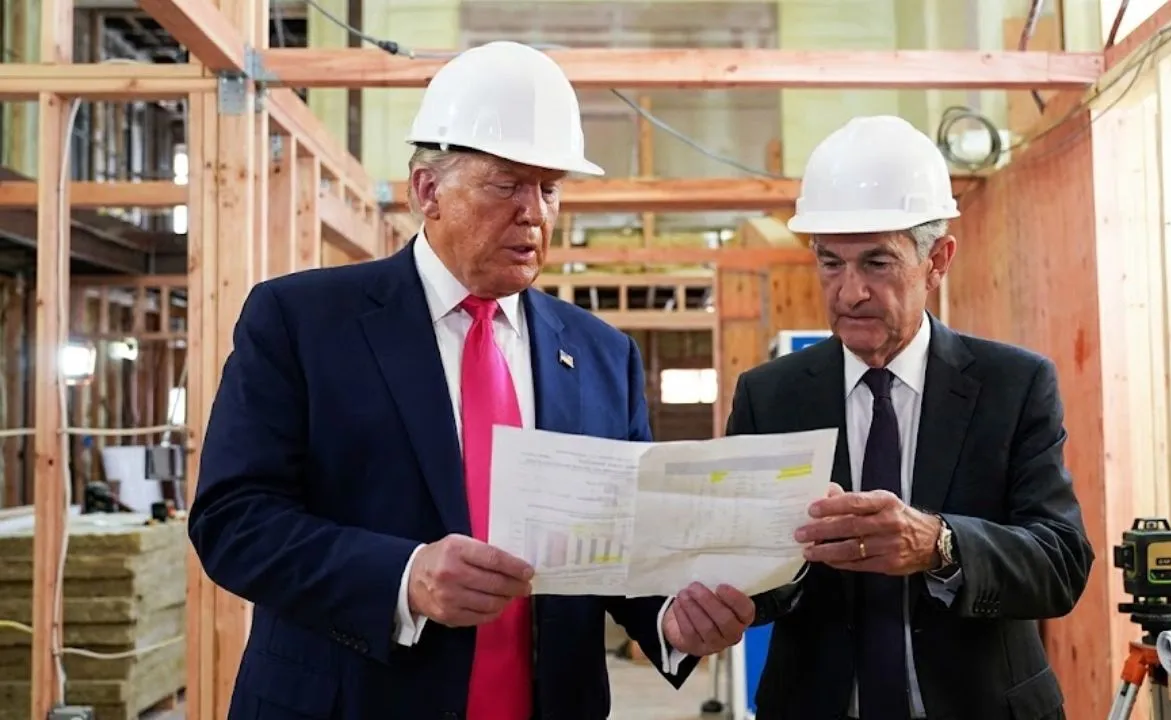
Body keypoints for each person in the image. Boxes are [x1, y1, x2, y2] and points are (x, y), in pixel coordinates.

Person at [189, 40, 753, 720]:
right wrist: (404, 578)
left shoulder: (603, 356)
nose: (535, 212)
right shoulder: (302, 322)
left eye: (549, 188)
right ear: (427, 189)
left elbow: (618, 545)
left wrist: (671, 618)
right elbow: (233, 522)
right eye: (507, 183)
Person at [734, 116, 1095, 720]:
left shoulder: (1014, 385)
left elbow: (1060, 563)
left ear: (938, 259)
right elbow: (748, 576)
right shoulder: (768, 397)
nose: (849, 292)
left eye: (877, 263)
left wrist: (941, 544)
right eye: (830, 263)